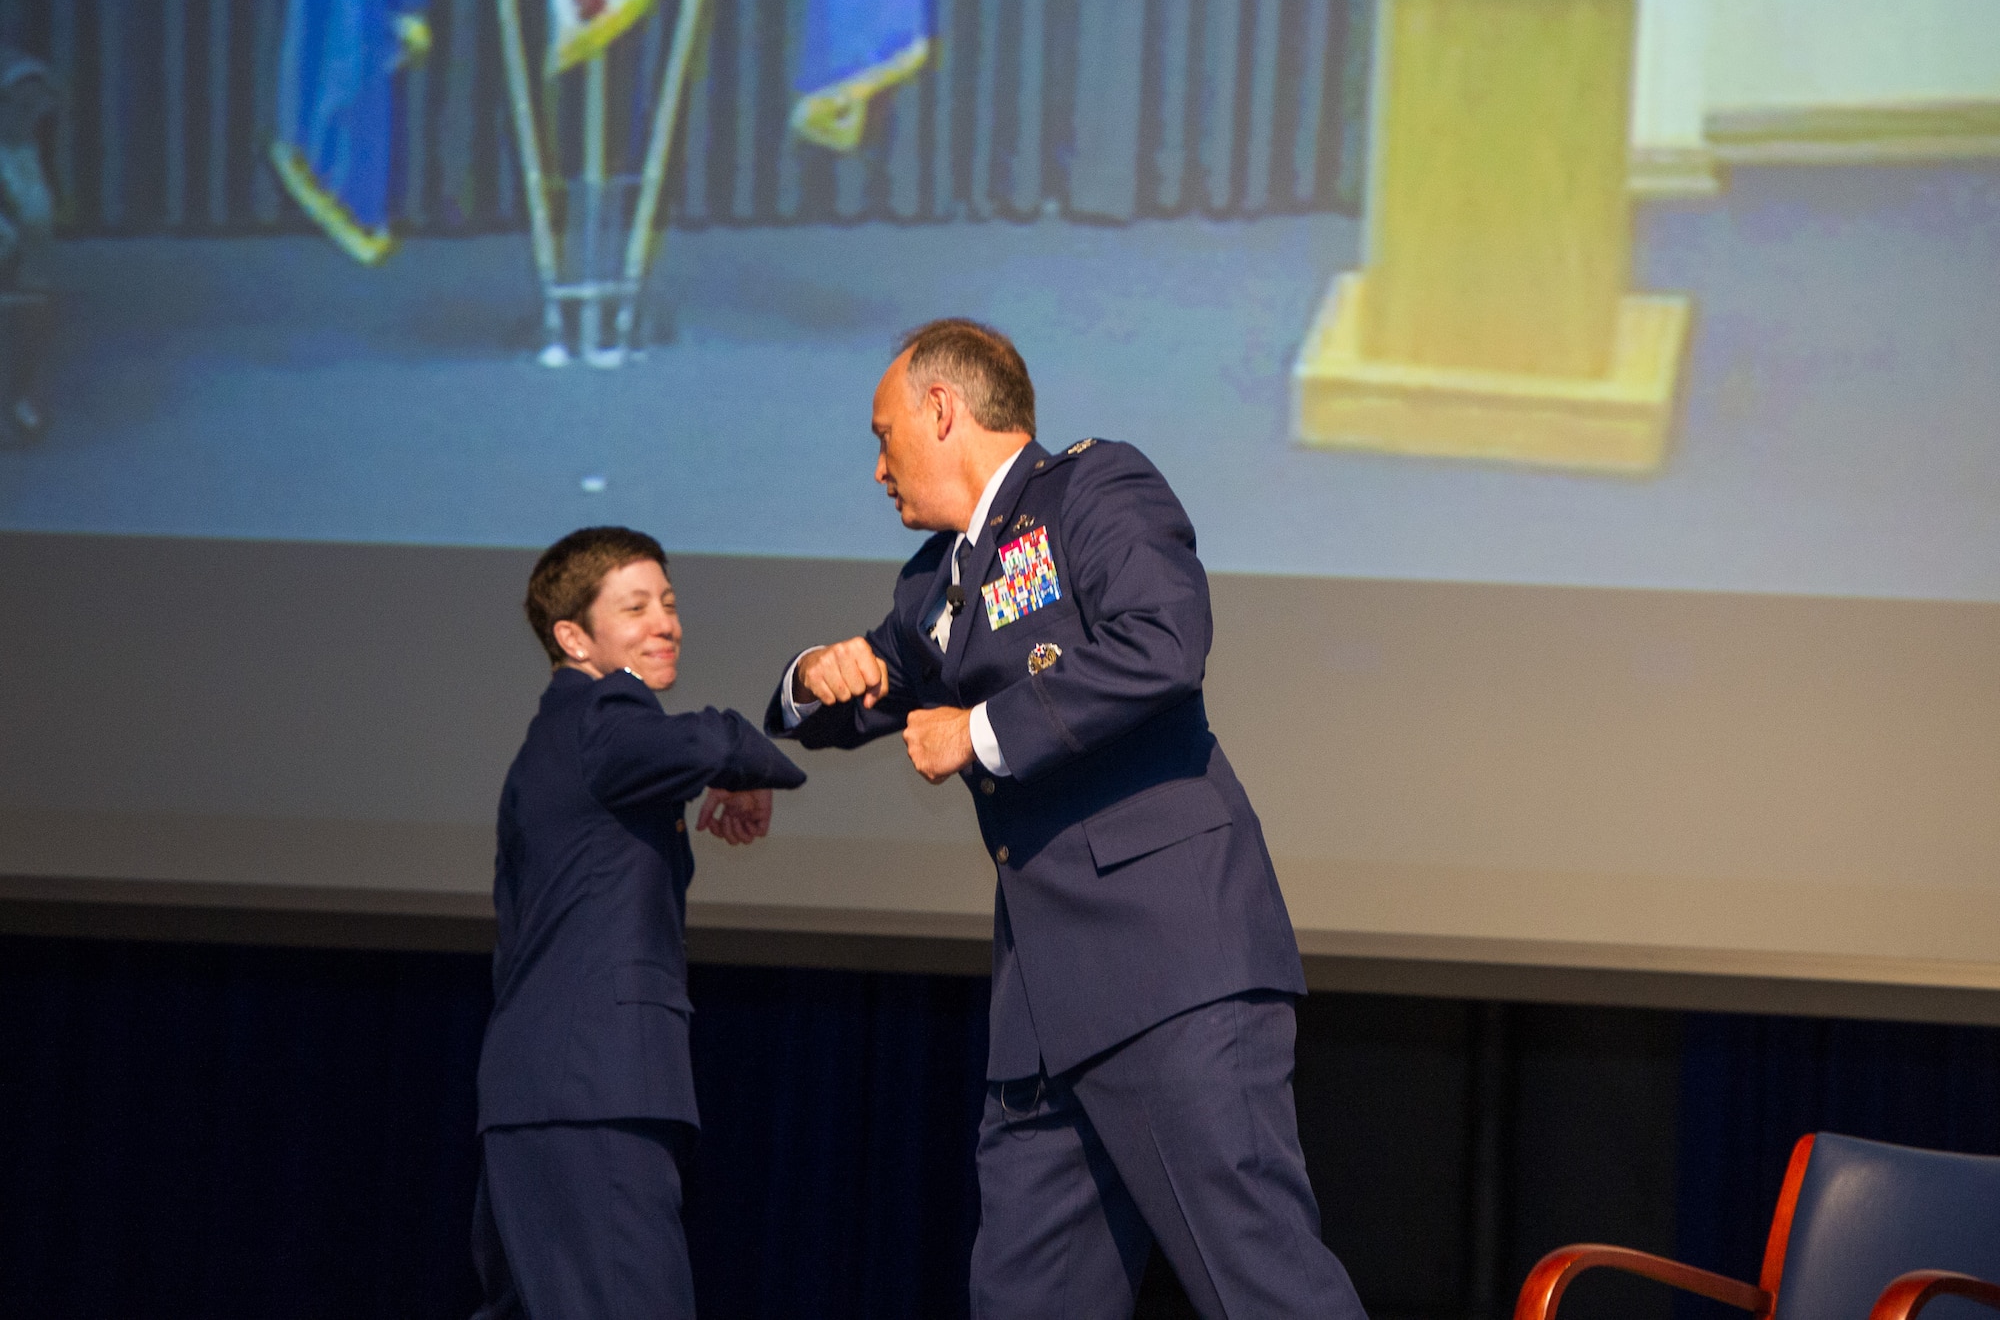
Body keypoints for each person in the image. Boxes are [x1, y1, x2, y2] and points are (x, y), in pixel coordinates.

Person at [766, 319, 1368, 1319]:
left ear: (941, 409)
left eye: (883, 435)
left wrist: (981, 732)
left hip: (1165, 971)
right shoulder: (931, 582)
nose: (876, 469)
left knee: (1260, 1286)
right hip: (1043, 1016)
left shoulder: (1095, 487)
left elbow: (1162, 646)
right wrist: (806, 681)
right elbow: (842, 705)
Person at [473, 526, 806, 1320]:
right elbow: (716, 735)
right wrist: (746, 763)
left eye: (669, 602)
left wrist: (725, 769)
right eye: (636, 606)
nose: (666, 622)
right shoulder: (603, 712)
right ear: (572, 636)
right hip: (595, 1090)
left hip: (537, 1096)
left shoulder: (555, 741)